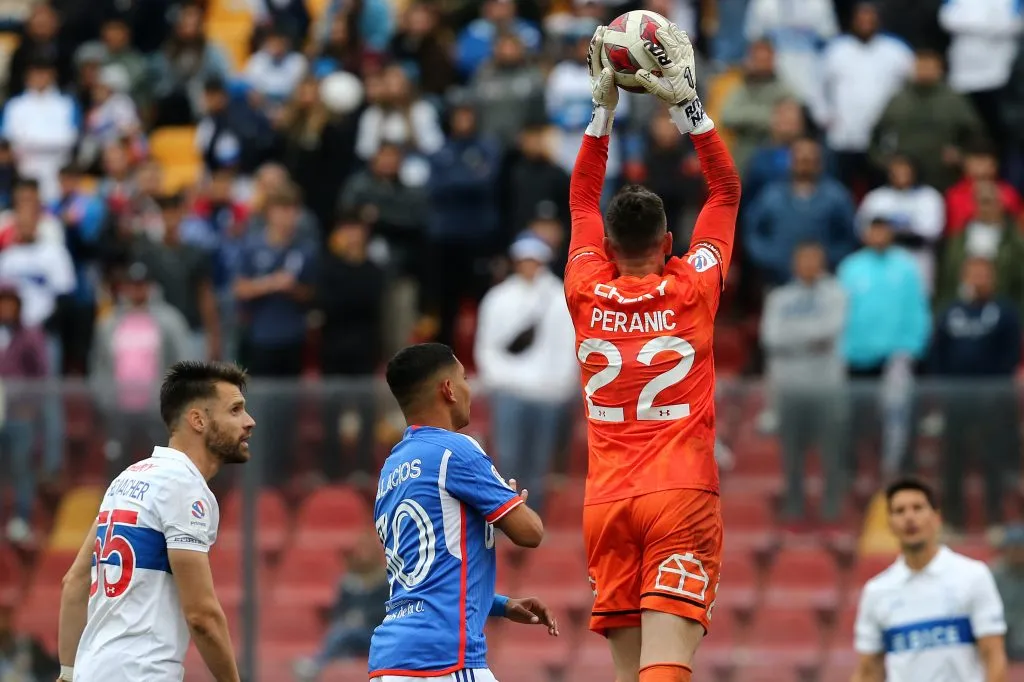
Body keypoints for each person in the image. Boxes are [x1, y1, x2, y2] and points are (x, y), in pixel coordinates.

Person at [567, 23, 740, 682]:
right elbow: (724, 193)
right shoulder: (693, 284)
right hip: (679, 490)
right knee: (665, 671)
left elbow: (582, 198)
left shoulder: (585, 286)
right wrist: (687, 108)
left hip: (606, 502)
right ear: (669, 240)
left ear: (605, 246)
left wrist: (601, 114)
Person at [55, 361, 255, 682]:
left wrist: (67, 672)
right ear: (198, 420)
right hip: (142, 673)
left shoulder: (126, 479)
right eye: (235, 410)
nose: (249, 422)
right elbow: (202, 615)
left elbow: (75, 581)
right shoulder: (183, 487)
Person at [369, 342, 558, 680]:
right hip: (442, 659)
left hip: (391, 661)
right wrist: (509, 503)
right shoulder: (456, 450)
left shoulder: (390, 470)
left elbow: (426, 572)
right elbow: (531, 533)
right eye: (465, 379)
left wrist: (498, 603)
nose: (471, 389)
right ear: (448, 389)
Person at [852, 478, 1008, 682]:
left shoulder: (973, 576)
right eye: (899, 511)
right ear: (890, 523)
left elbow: (993, 656)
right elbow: (868, 670)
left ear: (936, 517)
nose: (909, 517)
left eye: (917, 508)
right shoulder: (876, 591)